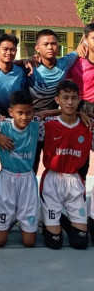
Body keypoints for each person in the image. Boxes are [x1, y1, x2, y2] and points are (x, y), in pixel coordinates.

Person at [39, 80, 93, 250]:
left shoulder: (88, 126)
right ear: (57, 100)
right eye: (65, 98)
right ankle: (47, 219)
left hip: (74, 181)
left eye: (74, 98)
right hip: (52, 181)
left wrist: (80, 115)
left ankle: (66, 221)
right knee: (54, 243)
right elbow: (23, 117)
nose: (70, 102)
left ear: (79, 100)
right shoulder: (46, 125)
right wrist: (51, 112)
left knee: (80, 243)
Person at [0, 90, 41, 247]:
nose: (25, 117)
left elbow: (56, 113)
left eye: (28, 112)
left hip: (28, 181)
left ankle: (20, 218)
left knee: (29, 243)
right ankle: (9, 219)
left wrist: (79, 113)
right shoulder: (1, 125)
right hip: (6, 180)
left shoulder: (36, 124)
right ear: (11, 112)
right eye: (20, 113)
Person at [27, 29, 79, 174]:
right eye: (46, 44)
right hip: (32, 121)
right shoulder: (30, 67)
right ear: (37, 48)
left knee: (56, 164)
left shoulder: (65, 62)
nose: (50, 47)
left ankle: (51, 194)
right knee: (31, 164)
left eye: (54, 44)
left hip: (55, 121)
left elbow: (80, 48)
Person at [67, 22, 94, 180]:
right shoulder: (77, 62)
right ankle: (79, 196)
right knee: (80, 160)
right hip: (80, 110)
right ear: (86, 40)